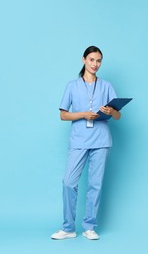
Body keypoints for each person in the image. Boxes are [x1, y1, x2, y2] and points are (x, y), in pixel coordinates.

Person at [51, 46, 121, 240]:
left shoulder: (106, 86)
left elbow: (118, 116)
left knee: (95, 185)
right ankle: (68, 227)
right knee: (68, 182)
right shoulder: (72, 86)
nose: (95, 64)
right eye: (91, 60)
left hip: (101, 140)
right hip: (79, 139)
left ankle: (89, 227)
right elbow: (63, 115)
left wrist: (111, 112)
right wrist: (82, 114)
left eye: (98, 61)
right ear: (83, 60)